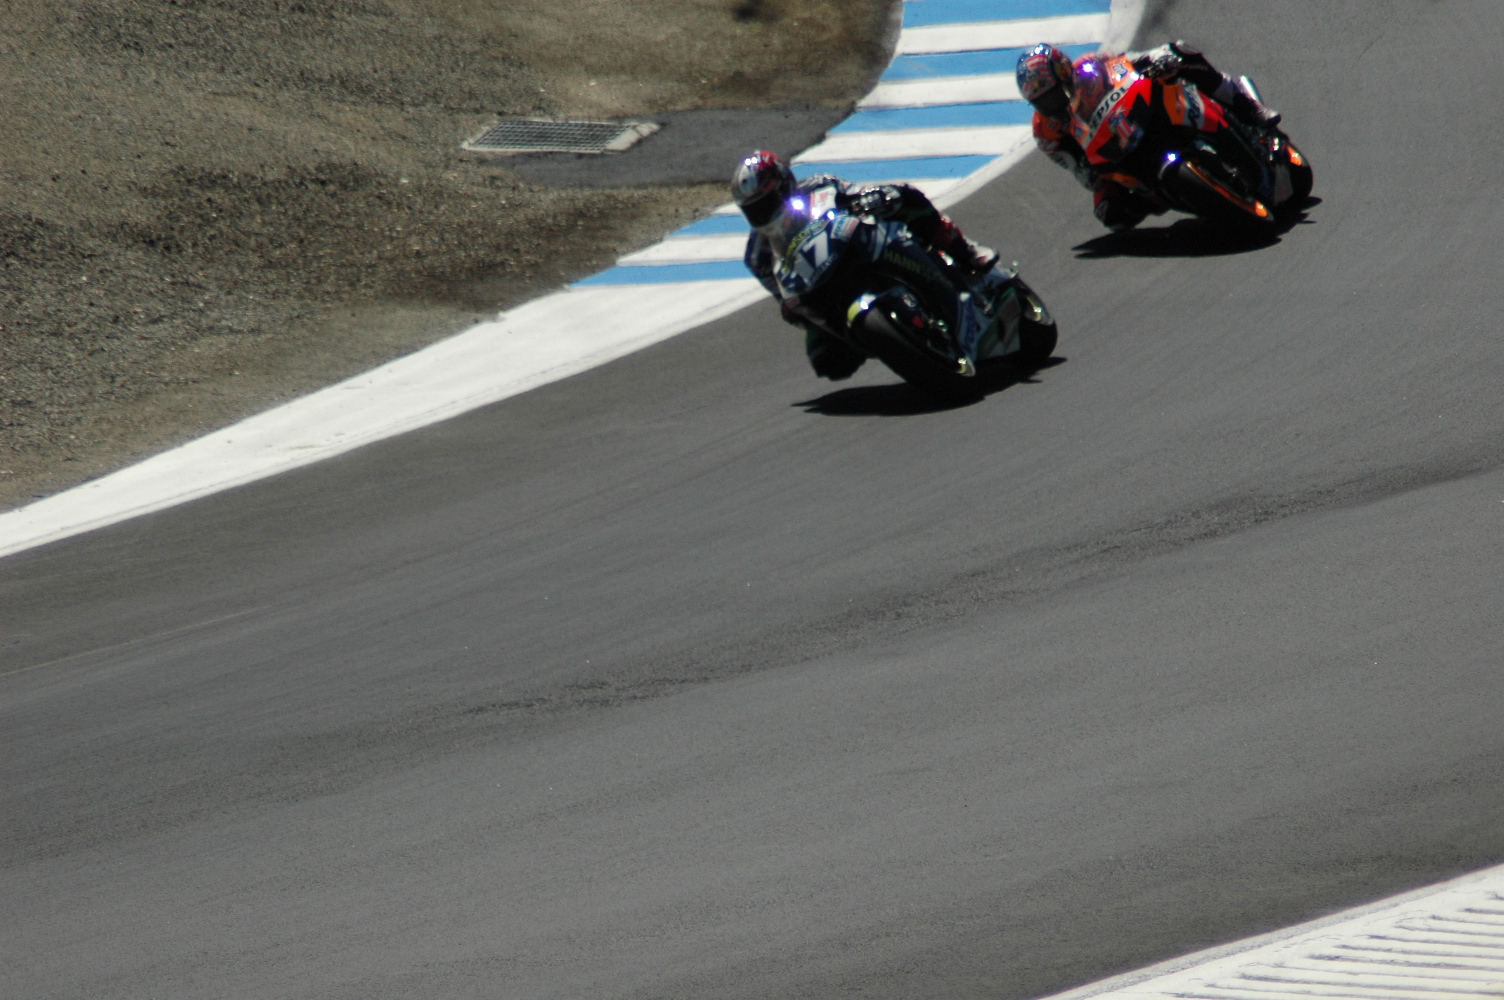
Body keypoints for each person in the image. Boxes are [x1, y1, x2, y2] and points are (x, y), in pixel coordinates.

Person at [732, 149, 998, 380]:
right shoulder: (756, 256)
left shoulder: (818, 185)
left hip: (850, 246)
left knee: (905, 199)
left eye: (766, 203)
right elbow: (782, 295)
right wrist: (791, 310)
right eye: (753, 210)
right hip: (818, 286)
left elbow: (853, 193)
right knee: (827, 361)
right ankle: (901, 342)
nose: (762, 213)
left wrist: (874, 197)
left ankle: (966, 251)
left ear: (783, 186)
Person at [1016, 41, 1281, 231]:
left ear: (1065, 74)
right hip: (1108, 151)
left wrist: (1154, 60)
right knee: (1111, 214)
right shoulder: (1045, 131)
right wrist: (1089, 172)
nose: (1052, 106)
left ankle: (1248, 107)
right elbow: (1077, 170)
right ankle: (1169, 195)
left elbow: (1127, 63)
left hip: (1135, 114)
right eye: (1042, 102)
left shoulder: (1089, 67)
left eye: (1054, 95)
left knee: (1180, 51)